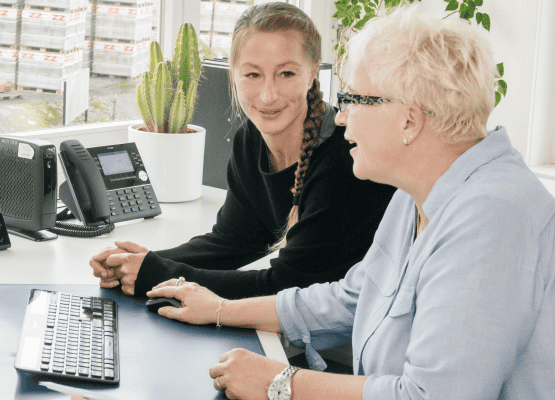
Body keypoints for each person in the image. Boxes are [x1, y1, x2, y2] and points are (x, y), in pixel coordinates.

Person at [144, 7, 555, 400]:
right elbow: (351, 298)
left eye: (354, 98)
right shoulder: (417, 193)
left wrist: (279, 384)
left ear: (409, 120)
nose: (341, 117)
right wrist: (223, 308)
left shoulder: (493, 218)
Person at [90, 2, 396, 299]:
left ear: (313, 70)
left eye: (286, 73)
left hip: (358, 337)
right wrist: (142, 261)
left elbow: (287, 284)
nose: (267, 95)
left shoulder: (344, 159)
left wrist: (158, 273)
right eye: (252, 74)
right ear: (233, 73)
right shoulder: (249, 139)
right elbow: (233, 241)